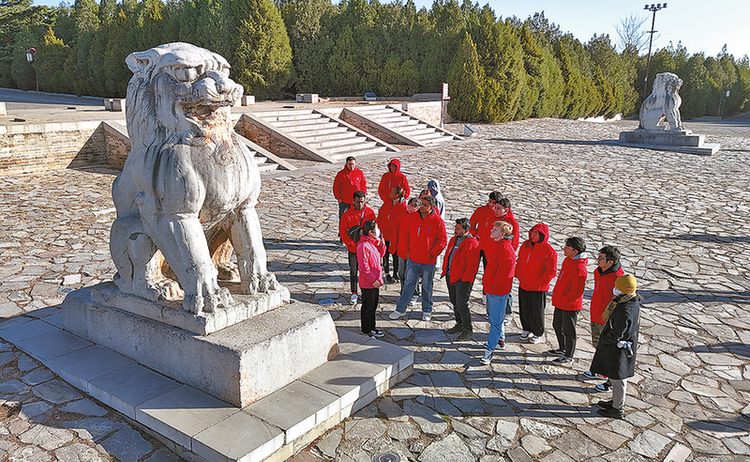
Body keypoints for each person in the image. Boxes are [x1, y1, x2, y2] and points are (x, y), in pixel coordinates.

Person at [389, 195, 447, 321]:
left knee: (427, 286)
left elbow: (442, 241)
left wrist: (432, 253)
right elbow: (404, 235)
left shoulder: (437, 222)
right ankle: (400, 309)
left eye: (425, 205)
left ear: (431, 207)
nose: (421, 207)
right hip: (413, 259)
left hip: (428, 261)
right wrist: (406, 252)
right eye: (422, 204)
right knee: (409, 284)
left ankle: (427, 310)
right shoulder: (411, 218)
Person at [590, 274, 640, 419]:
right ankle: (615, 403)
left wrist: (605, 339)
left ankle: (617, 408)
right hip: (618, 347)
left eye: (618, 287)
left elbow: (618, 331)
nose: (615, 289)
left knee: (619, 379)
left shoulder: (625, 309)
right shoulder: (630, 301)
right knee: (615, 375)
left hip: (619, 349)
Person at [584, 245, 624, 391]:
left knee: (608, 349)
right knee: (597, 345)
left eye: (601, 258)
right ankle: (598, 370)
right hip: (596, 314)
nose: (598, 260)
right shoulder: (598, 272)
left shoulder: (618, 278)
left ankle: (609, 380)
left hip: (607, 320)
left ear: (610, 262)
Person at [479, 221, 516, 365]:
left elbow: (504, 273)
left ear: (502, 234)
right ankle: (500, 341)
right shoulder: (497, 245)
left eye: (495, 230)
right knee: (495, 319)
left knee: (495, 322)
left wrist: (493, 285)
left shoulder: (506, 250)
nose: (491, 231)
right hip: (491, 289)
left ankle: (489, 351)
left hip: (497, 291)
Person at [548, 237, 588, 364]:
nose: (564, 249)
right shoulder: (568, 260)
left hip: (570, 305)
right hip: (561, 302)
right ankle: (562, 348)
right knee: (557, 325)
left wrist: (565, 300)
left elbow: (576, 291)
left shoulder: (580, 268)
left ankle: (568, 355)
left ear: (575, 251)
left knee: (569, 330)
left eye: (567, 247)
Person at [515, 223, 557, 344]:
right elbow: (520, 260)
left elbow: (551, 271)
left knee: (537, 311)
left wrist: (540, 282)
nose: (532, 235)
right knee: (524, 308)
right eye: (531, 233)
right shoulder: (526, 245)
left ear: (543, 235)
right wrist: (518, 274)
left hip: (538, 288)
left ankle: (538, 332)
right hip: (524, 284)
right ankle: (526, 328)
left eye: (535, 234)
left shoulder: (549, 251)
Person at [441, 218, 481, 341]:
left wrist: (465, 280)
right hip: (450, 276)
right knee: (454, 301)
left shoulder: (472, 244)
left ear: (465, 230)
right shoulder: (453, 240)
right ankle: (459, 324)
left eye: (458, 229)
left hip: (462, 280)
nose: (455, 231)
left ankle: (468, 329)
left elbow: (472, 266)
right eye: (455, 228)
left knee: (461, 304)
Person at [339, 191, 376, 305]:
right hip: (353, 248)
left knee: (366, 271)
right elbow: (343, 231)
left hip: (366, 248)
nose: (360, 204)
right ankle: (354, 292)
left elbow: (374, 230)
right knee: (354, 271)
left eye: (362, 202)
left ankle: (366, 292)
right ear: (353, 201)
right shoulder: (347, 214)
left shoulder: (370, 212)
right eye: (358, 202)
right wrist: (349, 243)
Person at [357, 220, 387, 338]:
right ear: (370, 232)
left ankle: (372, 328)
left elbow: (380, 255)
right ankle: (366, 330)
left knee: (373, 306)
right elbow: (364, 267)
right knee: (367, 307)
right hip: (369, 283)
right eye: (376, 229)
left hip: (375, 282)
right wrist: (372, 280)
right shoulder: (363, 246)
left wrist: (382, 244)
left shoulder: (372, 243)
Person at [390, 197, 421, 305]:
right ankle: (404, 293)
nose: (412, 208)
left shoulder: (420, 220)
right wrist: (393, 247)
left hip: (413, 252)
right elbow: (396, 233)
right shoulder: (401, 217)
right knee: (402, 273)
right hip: (402, 251)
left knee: (413, 274)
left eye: (415, 206)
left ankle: (414, 294)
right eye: (411, 205)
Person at [493, 197, 519, 324]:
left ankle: (508, 312)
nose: (495, 210)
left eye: (498, 208)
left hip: (504, 256)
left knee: (506, 286)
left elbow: (514, 243)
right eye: (495, 207)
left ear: (506, 210)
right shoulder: (495, 219)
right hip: (493, 254)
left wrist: (507, 253)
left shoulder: (511, 223)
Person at [377, 187, 407, 284]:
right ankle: (387, 273)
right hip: (384, 234)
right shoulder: (387, 202)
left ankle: (395, 273)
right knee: (385, 255)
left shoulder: (403, 207)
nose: (390, 193)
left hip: (395, 236)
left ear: (397, 195)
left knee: (395, 256)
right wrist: (379, 227)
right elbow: (380, 214)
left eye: (393, 192)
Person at [470, 191, 503, 269]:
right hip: (478, 245)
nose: (491, 204)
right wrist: (476, 235)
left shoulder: (498, 215)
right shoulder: (480, 210)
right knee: (471, 267)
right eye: (490, 201)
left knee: (487, 268)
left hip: (490, 247)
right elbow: (471, 224)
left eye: (493, 203)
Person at [333, 156, 367, 221]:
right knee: (343, 219)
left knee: (357, 219)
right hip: (345, 202)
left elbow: (363, 185)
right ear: (346, 164)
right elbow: (336, 187)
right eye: (350, 164)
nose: (352, 166)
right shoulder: (341, 174)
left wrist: (362, 195)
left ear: (355, 164)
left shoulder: (359, 173)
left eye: (353, 164)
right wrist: (338, 198)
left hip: (357, 201)